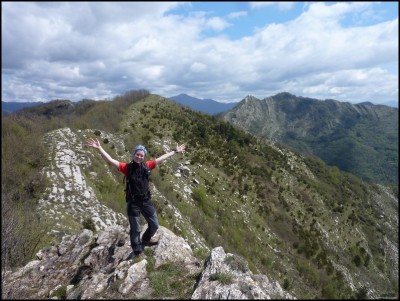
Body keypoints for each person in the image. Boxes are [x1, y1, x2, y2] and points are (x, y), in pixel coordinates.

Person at [86, 137, 185, 258]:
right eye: (137, 154)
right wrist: (99, 148)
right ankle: (137, 251)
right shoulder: (127, 168)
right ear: (134, 154)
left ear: (144, 157)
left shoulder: (147, 166)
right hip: (133, 203)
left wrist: (175, 151)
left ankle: (146, 238)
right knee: (135, 228)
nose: (139, 157)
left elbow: (161, 159)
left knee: (154, 224)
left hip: (146, 201)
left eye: (141, 155)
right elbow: (111, 160)